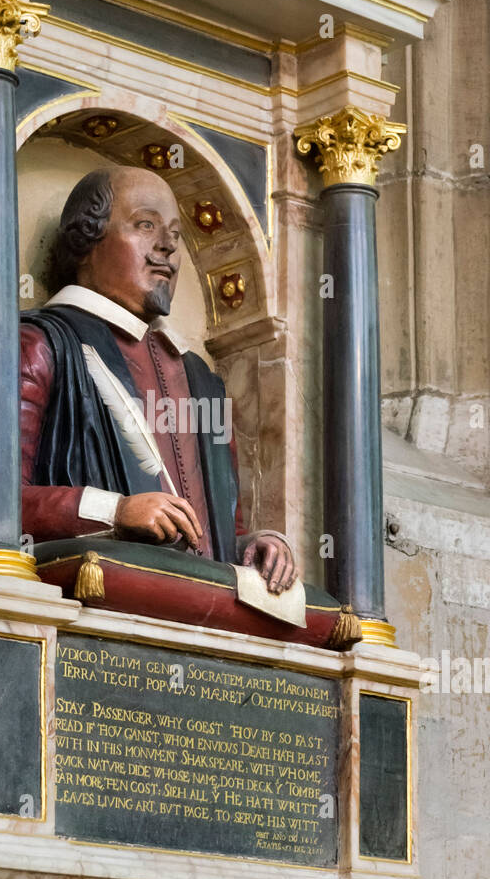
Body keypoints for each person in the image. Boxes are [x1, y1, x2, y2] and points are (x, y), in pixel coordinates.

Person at [19, 165, 297, 596]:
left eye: (174, 233)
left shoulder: (202, 381)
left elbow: (216, 535)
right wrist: (117, 511)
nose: (166, 245)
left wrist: (253, 546)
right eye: (145, 225)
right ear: (86, 240)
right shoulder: (41, 344)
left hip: (200, 610)